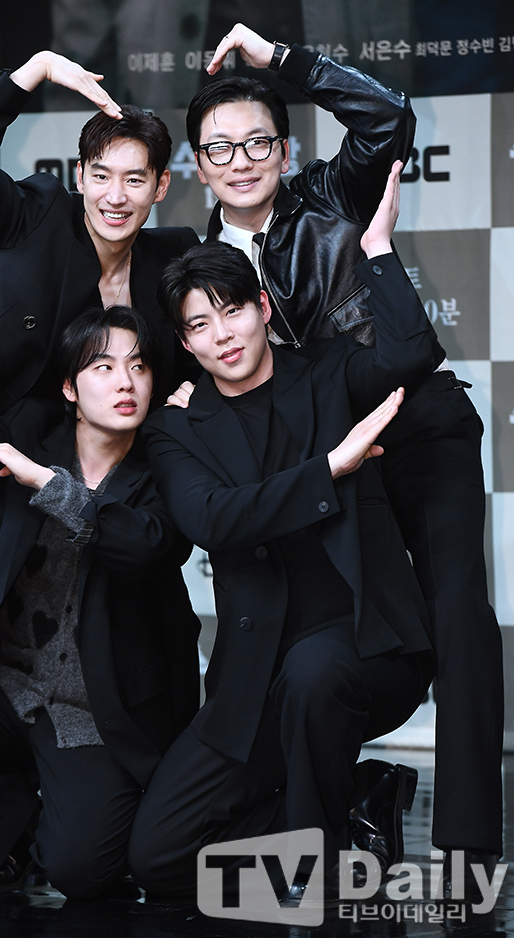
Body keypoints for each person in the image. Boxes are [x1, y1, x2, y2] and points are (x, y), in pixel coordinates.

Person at [180, 23, 504, 891]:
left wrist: (279, 59)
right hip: (332, 462)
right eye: (220, 148)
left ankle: (468, 843)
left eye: (258, 142)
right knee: (322, 638)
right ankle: (346, 800)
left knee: (456, 610)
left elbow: (388, 119)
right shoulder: (200, 263)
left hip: (415, 425)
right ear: (198, 166)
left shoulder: (328, 194)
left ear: (284, 152)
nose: (241, 160)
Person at [128, 164, 435, 901]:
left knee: (314, 674)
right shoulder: (176, 429)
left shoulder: (329, 373)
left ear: (263, 307)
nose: (222, 335)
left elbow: (412, 357)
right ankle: (355, 804)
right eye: (199, 325)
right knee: (159, 858)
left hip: (362, 644)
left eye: (232, 311)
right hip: (253, 680)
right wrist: (332, 467)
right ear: (186, 343)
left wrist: (378, 250)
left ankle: (319, 868)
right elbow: (212, 519)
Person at [0, 224, 201, 899]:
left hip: (97, 707)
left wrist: (49, 486)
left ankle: (70, 822)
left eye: (139, 366)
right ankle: (12, 837)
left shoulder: (166, 464)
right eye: (103, 367)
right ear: (70, 389)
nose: (126, 381)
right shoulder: (30, 439)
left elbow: (151, 544)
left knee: (82, 872)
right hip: (5, 683)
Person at [0, 50, 200, 532]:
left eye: (134, 180)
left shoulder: (174, 253)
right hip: (18, 456)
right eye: (101, 176)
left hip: (131, 469)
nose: (115, 197)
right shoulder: (36, 217)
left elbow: (196, 351)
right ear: (79, 176)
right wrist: (36, 70)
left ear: (161, 185)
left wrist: (194, 392)